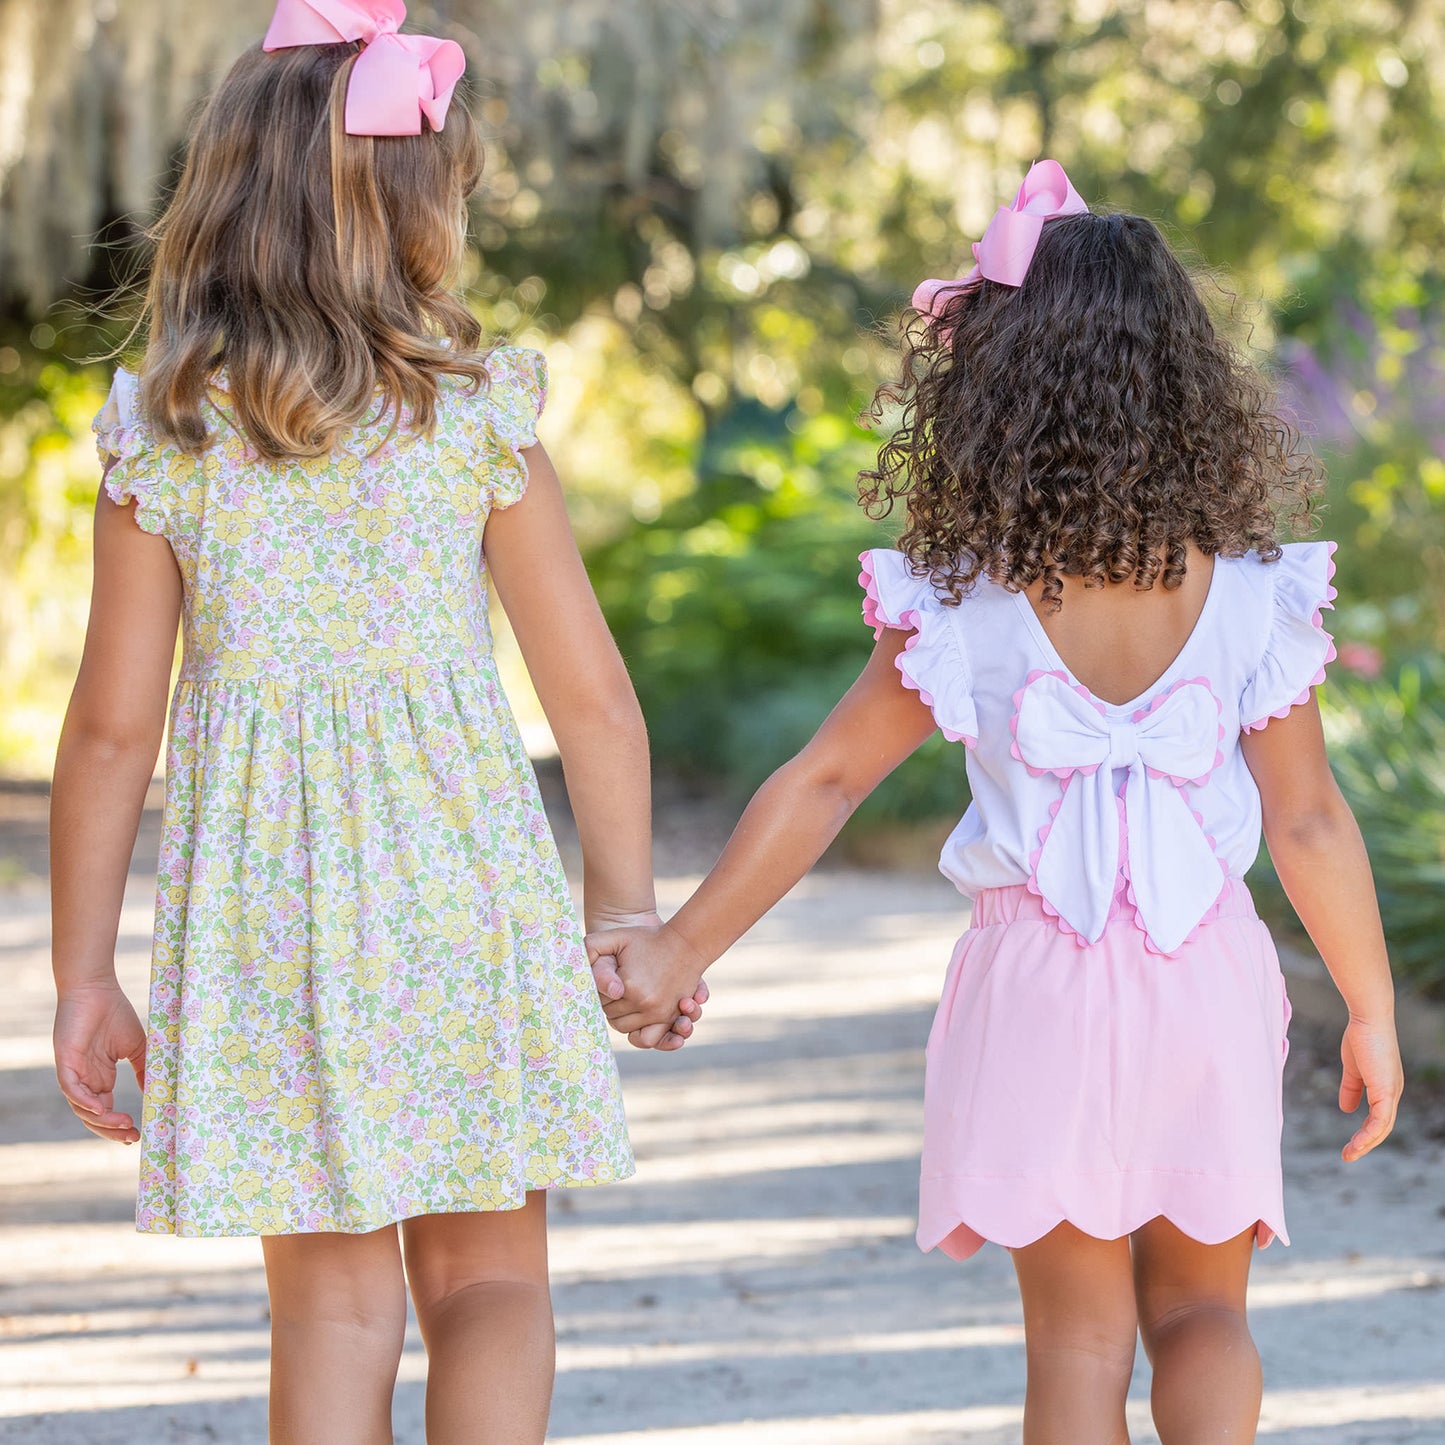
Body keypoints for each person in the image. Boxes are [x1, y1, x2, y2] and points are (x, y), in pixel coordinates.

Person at [586, 162, 1404, 1442]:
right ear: (1187, 385)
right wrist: (1369, 1003)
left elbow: (826, 780)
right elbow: (1307, 820)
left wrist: (680, 943)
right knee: (1203, 1314)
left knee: (1074, 1340)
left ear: (998, 386)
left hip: (1035, 987)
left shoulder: (959, 599)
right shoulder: (1255, 594)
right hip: (1203, 981)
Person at [48, 4, 702, 1441]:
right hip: (462, 899)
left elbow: (109, 731)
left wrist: (84, 972)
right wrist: (622, 906)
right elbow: (590, 691)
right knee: (489, 1285)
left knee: (332, 1307)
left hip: (269, 917)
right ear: (416, 212)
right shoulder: (472, 413)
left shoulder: (164, 429)